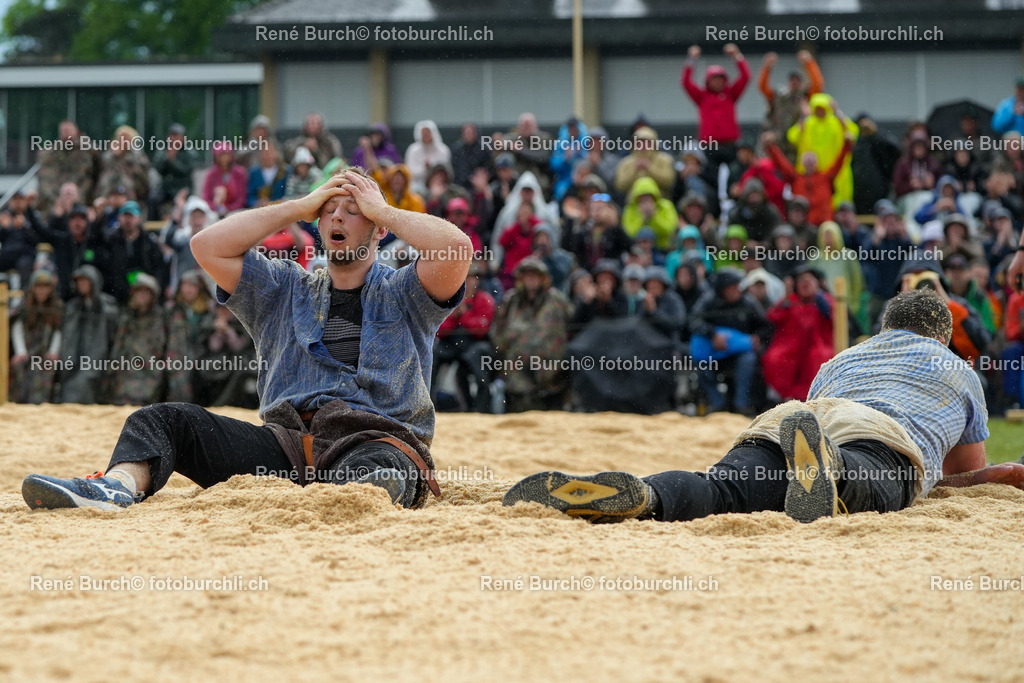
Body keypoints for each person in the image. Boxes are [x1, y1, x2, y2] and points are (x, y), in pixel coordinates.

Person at [22, 167, 472, 511]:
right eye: (329, 209)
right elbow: (206, 246)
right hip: (285, 449)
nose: (337, 215)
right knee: (162, 420)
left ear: (378, 229)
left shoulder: (404, 291)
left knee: (374, 474)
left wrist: (382, 209)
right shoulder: (285, 286)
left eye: (353, 211)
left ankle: (363, 494)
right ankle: (115, 488)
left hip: (372, 440)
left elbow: (456, 251)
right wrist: (298, 206)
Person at [503, 290, 1024, 524]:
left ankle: (648, 495)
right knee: (869, 482)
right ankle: (834, 472)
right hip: (876, 434)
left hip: (796, 417)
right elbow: (959, 478)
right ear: (943, 336)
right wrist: (1000, 474)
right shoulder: (958, 370)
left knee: (721, 490)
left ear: (885, 327)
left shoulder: (846, 357)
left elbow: (819, 410)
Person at [491, 257, 573, 412]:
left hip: (550, 365)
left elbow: (574, 323)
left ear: (543, 279)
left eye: (535, 275)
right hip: (517, 366)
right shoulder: (511, 300)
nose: (531, 279)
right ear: (521, 279)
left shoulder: (557, 300)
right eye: (527, 275)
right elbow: (497, 331)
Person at [688, 268, 771, 415]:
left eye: (737, 286)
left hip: (739, 352)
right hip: (713, 351)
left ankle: (741, 404)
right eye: (732, 287)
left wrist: (757, 337)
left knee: (749, 359)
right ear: (722, 289)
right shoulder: (709, 301)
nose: (736, 290)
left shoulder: (747, 302)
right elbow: (694, 321)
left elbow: (765, 326)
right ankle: (717, 403)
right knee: (700, 364)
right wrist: (712, 334)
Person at [762, 266, 834, 401]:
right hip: (792, 347)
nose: (806, 283)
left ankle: (816, 396)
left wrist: (819, 296)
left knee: (819, 359)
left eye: (810, 280)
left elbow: (833, 316)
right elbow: (773, 316)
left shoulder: (824, 300)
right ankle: (783, 395)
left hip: (819, 345)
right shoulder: (790, 301)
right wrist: (786, 296)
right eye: (801, 280)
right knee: (775, 358)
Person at [432, 263, 496, 413]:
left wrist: (464, 314)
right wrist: (454, 316)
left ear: (477, 280)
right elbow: (439, 330)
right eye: (464, 277)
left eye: (471, 278)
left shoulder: (484, 299)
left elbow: (481, 329)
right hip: (452, 343)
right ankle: (428, 402)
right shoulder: (449, 299)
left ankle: (482, 408)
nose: (468, 281)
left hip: (475, 344)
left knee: (476, 359)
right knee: (433, 355)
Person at [57, 265, 120, 404]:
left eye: (85, 281)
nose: (81, 284)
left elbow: (111, 337)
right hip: (74, 361)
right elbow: (67, 337)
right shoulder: (73, 306)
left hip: (98, 362)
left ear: (94, 282)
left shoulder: (107, 306)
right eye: (79, 281)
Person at [681, 43, 750, 168]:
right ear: (708, 81)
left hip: (730, 145)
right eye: (714, 79)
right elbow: (686, 82)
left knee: (733, 174)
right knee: (711, 175)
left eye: (720, 78)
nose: (718, 82)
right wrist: (691, 59)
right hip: (709, 146)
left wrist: (737, 55)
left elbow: (745, 77)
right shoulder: (702, 97)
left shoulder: (731, 94)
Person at [764, 130, 852, 226]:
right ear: (802, 163)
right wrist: (771, 147)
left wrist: (847, 145)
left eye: (812, 160)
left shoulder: (825, 178)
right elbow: (782, 164)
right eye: (807, 160)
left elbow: (838, 163)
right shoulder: (796, 178)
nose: (809, 162)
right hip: (802, 227)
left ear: (817, 162)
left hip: (823, 226)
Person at [106, 273, 168, 406]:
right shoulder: (125, 318)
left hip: (148, 380)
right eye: (139, 291)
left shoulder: (161, 319)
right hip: (123, 380)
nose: (142, 296)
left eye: (146, 292)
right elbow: (117, 346)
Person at [786, 94, 858, 207]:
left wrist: (838, 113)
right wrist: (803, 117)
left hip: (836, 172)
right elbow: (792, 137)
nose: (820, 111)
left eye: (823, 108)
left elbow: (853, 132)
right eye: (817, 108)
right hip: (812, 174)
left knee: (839, 203)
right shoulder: (808, 123)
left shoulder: (836, 122)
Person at [9, 270, 63, 404]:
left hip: (44, 353)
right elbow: (17, 328)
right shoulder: (23, 306)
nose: (42, 291)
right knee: (19, 374)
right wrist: (20, 351)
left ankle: (40, 404)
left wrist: (53, 351)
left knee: (46, 371)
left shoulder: (57, 307)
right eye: (38, 287)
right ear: (33, 288)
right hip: (25, 352)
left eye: (45, 287)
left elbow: (58, 331)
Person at [757, 50, 824, 157]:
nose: (795, 83)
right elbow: (763, 88)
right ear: (788, 82)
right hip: (778, 139)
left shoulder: (806, 96)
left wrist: (809, 63)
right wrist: (767, 67)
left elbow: (818, 84)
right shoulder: (779, 96)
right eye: (792, 80)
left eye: (798, 80)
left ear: (802, 83)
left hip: (798, 141)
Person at [36, 120, 99, 213]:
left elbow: (96, 172)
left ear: (77, 132)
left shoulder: (88, 151)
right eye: (63, 131)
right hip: (56, 198)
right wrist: (59, 198)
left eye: (68, 130)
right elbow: (45, 179)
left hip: (82, 197)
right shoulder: (51, 154)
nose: (66, 133)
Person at [621, 177, 679, 251]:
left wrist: (654, 216)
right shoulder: (629, 209)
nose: (646, 202)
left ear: (654, 196)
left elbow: (669, 229)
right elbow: (630, 233)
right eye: (642, 198)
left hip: (662, 249)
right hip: (638, 250)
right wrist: (642, 218)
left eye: (648, 197)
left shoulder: (666, 206)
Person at [152, 123, 197, 214]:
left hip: (182, 188)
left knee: (181, 204)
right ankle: (152, 223)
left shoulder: (189, 152)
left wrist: (173, 161)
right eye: (172, 135)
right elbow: (158, 169)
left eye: (177, 136)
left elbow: (186, 171)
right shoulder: (163, 150)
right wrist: (167, 159)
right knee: (153, 198)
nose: (173, 138)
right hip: (165, 188)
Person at [202, 142, 249, 216]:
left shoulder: (240, 173)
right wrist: (215, 208)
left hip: (235, 211)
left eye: (226, 155)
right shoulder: (211, 174)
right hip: (214, 212)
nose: (224, 159)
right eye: (221, 155)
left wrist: (229, 209)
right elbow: (206, 197)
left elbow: (242, 197)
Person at [405, 120, 451, 195]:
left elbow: (445, 171)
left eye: (428, 132)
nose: (426, 135)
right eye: (423, 133)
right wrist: (424, 168)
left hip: (437, 184)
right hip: (417, 185)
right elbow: (409, 171)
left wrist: (432, 169)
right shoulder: (413, 150)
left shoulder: (443, 150)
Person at [247, 141, 289, 208]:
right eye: (264, 153)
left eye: (270, 152)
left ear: (276, 153)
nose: (267, 156)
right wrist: (257, 202)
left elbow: (289, 193)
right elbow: (249, 197)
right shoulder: (253, 173)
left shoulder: (285, 171)